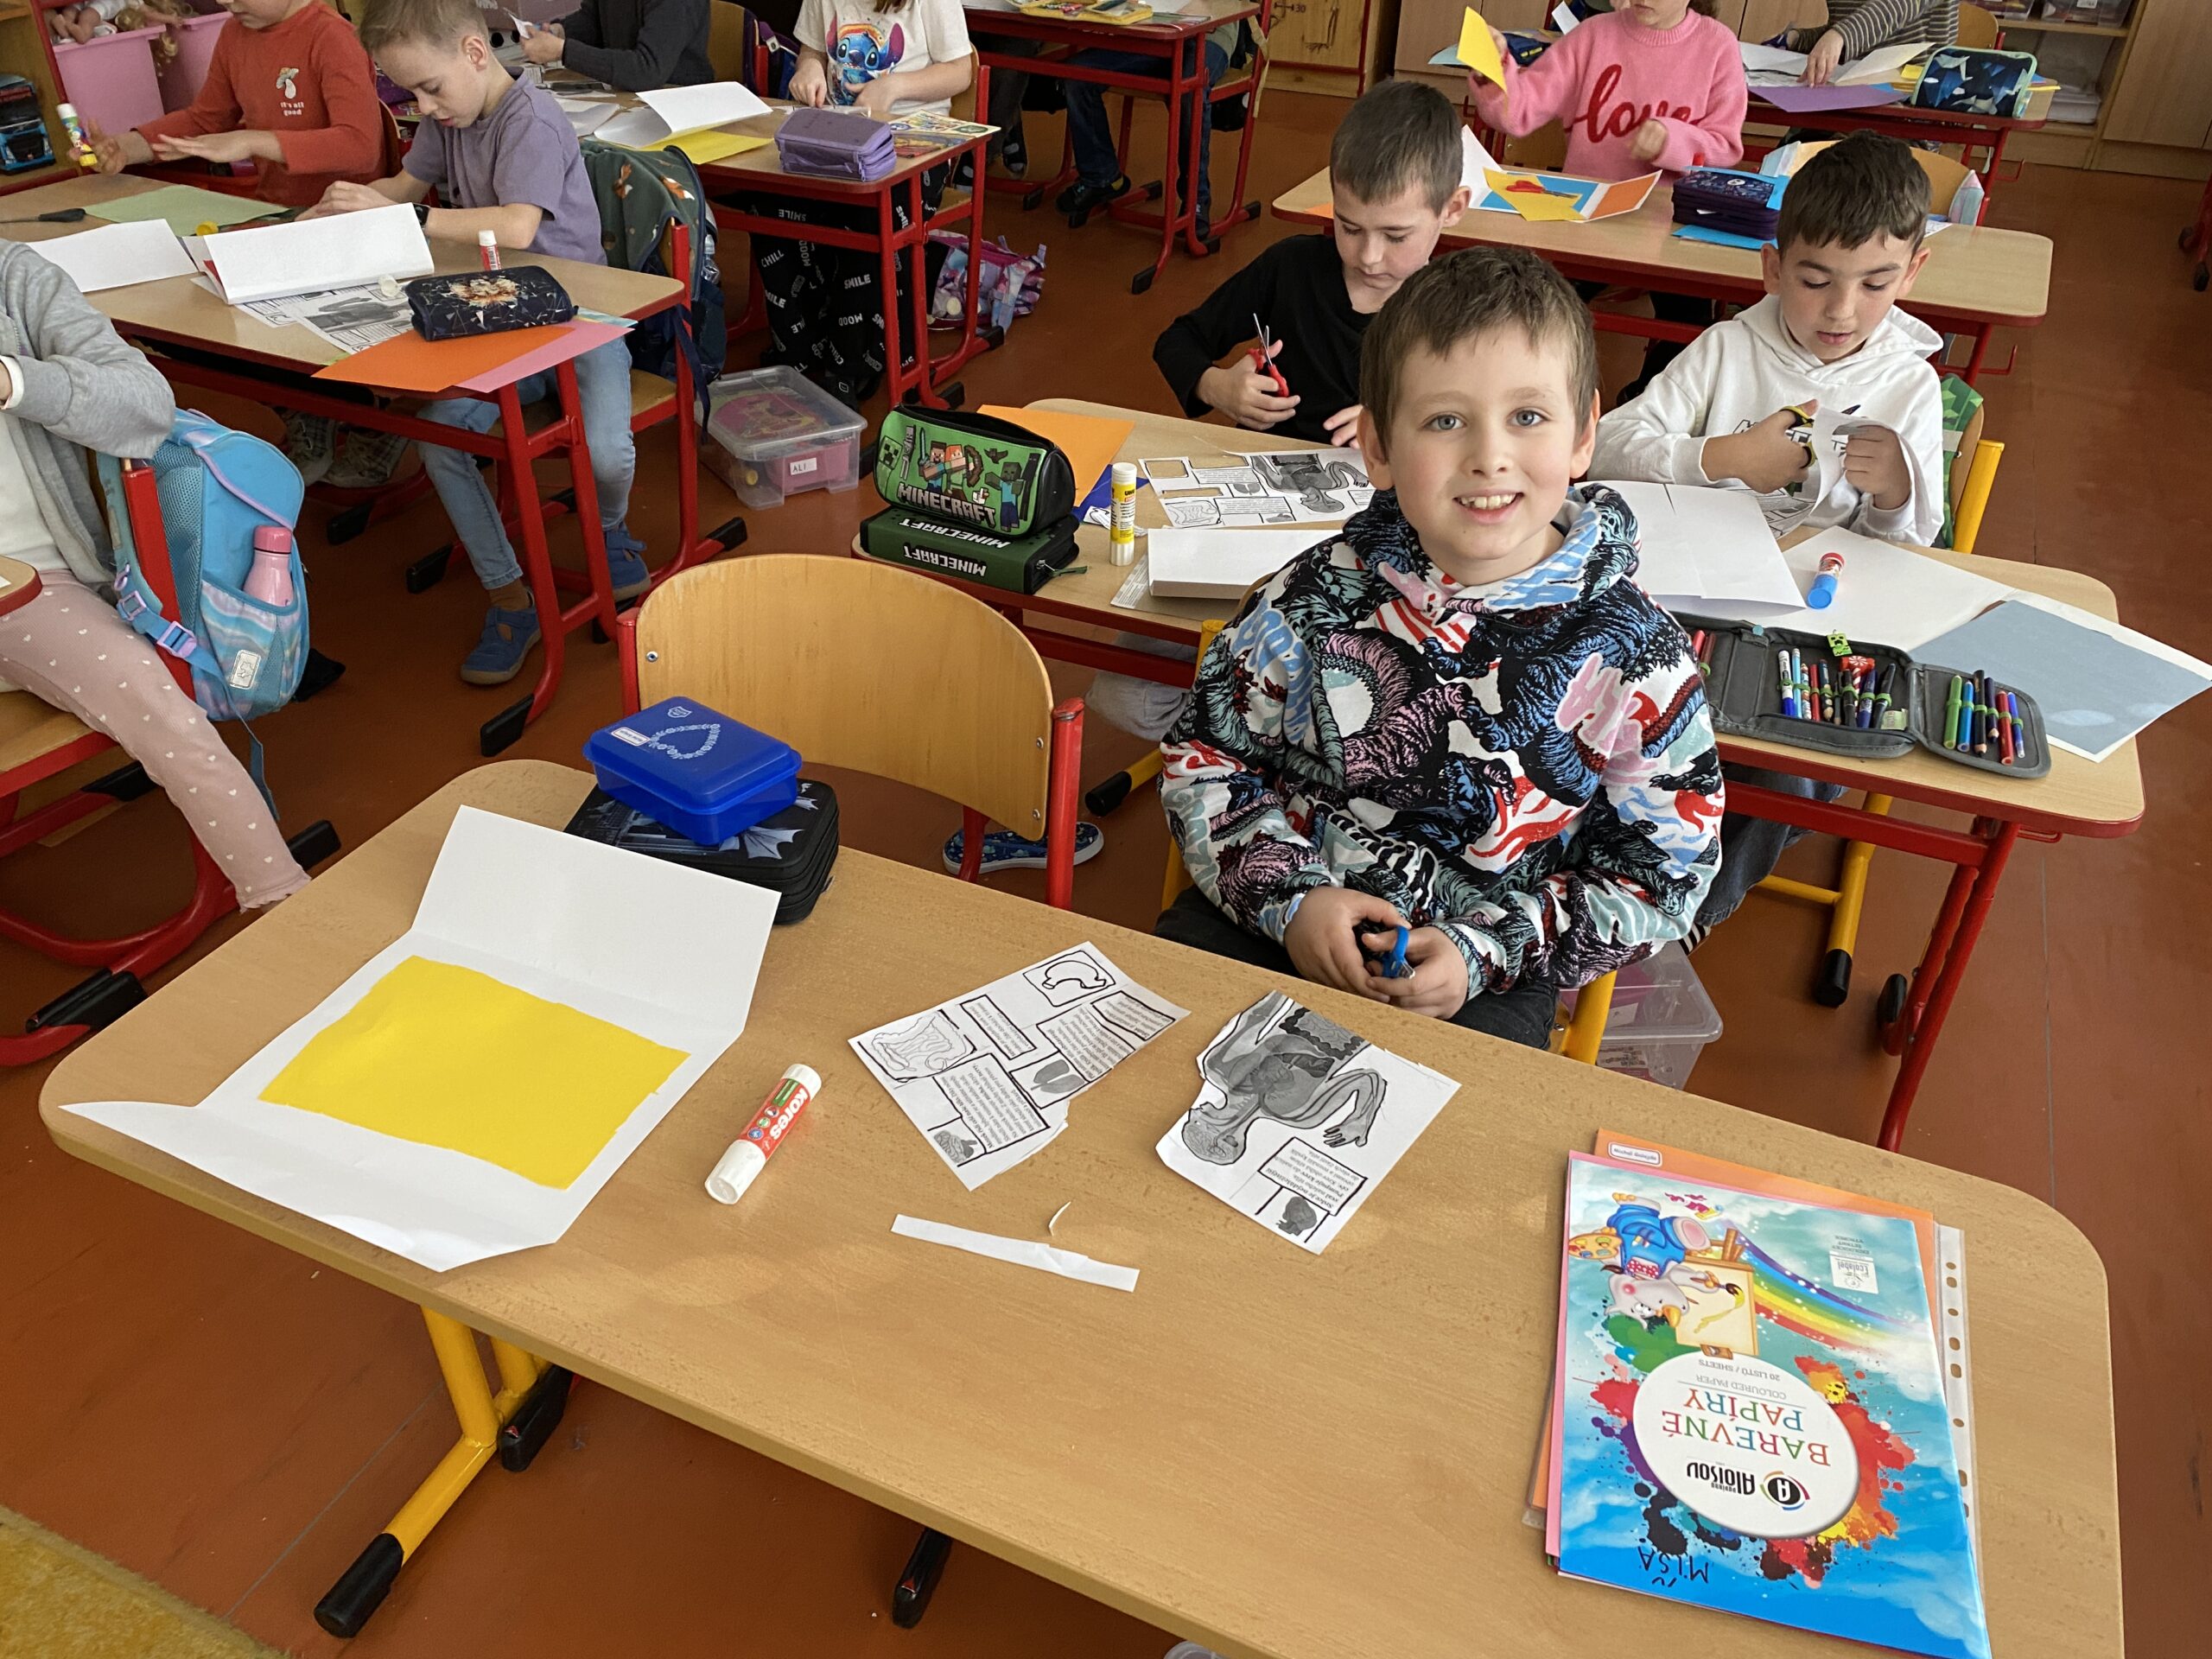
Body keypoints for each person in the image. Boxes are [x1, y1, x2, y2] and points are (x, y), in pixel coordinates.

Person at [1158, 247, 1722, 1046]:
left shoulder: (1641, 657)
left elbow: (1659, 875)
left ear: (1584, 434)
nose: (1489, 456)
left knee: (1461, 1127)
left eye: (1528, 417)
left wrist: (1487, 948)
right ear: (1378, 446)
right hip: (1276, 914)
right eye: (1445, 421)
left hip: (1487, 973)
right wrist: (1294, 899)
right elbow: (1207, 758)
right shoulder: (1312, 595)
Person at [1592, 130, 1943, 934]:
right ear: (1774, 268)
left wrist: (1895, 493)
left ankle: (1684, 921)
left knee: (1791, 766)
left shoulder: (1910, 384)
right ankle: (1600, 878)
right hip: (1692, 603)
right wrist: (1720, 457)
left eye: (1875, 283)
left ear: (1912, 272)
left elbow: (1912, 552)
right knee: (1617, 710)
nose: (1842, 310)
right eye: (1815, 281)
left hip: (1817, 631)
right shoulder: (1727, 348)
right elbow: (1607, 446)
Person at [1083, 79, 1470, 753]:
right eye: (1349, 227)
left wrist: (1407, 423)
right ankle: (1254, 747)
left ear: (1452, 210)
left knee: (1361, 711)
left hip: (1380, 561)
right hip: (1251, 534)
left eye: (1395, 235)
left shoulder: (1461, 314)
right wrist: (1219, 387)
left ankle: (1281, 747)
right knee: (1123, 695)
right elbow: (1178, 340)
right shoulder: (1291, 269)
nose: (1368, 255)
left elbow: (1491, 439)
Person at [306, 0, 649, 687]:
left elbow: (518, 226)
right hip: (495, 317)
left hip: (580, 317)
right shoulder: (451, 117)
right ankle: (509, 595)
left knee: (606, 451)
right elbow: (404, 185)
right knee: (442, 439)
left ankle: (610, 528)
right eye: (412, 93)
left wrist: (408, 215)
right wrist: (338, 210)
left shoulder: (532, 120)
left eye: (430, 88)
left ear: (473, 53)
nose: (424, 107)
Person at [0, 238, 309, 909]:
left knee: (160, 707)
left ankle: (284, 903)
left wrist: (15, 380)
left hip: (32, 588)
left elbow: (145, 404)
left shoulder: (13, 277)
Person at [86, 0, 395, 489]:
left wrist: (255, 140)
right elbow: (205, 120)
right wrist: (127, 147)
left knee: (223, 318)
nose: (228, 3)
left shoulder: (331, 36)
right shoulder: (236, 32)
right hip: (275, 221)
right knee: (173, 320)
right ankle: (307, 405)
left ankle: (358, 411)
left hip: (343, 227)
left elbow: (360, 146)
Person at [1468, 0, 1747, 398]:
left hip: (1669, 224)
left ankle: (1645, 401)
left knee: (1691, 330)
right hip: (1589, 217)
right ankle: (1537, 395)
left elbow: (1726, 148)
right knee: (1537, 307)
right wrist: (1493, 69)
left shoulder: (1717, 46)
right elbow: (1519, 111)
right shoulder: (1594, 35)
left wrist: (1672, 140)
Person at [747, 0, 972, 405]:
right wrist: (808, 68)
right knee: (771, 200)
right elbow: (813, 50)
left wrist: (894, 87)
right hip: (838, 132)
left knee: (870, 212)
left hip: (913, 141)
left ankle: (852, 361)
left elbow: (961, 70)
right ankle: (798, 349)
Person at [1051, 16, 1241, 238]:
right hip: (1150, 33)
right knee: (1078, 74)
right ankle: (1101, 176)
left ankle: (1196, 200)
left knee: (1190, 89)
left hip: (1210, 35)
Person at [520, 0, 715, 91]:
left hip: (679, 102)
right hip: (629, 97)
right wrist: (560, 32)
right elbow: (595, 20)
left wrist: (562, 51)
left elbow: (647, 70)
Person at [1796, 1, 1958, 87]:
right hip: (1841, 89)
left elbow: (1898, 7)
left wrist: (1840, 35)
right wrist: (1798, 39)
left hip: (1907, 100)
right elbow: (1842, 30)